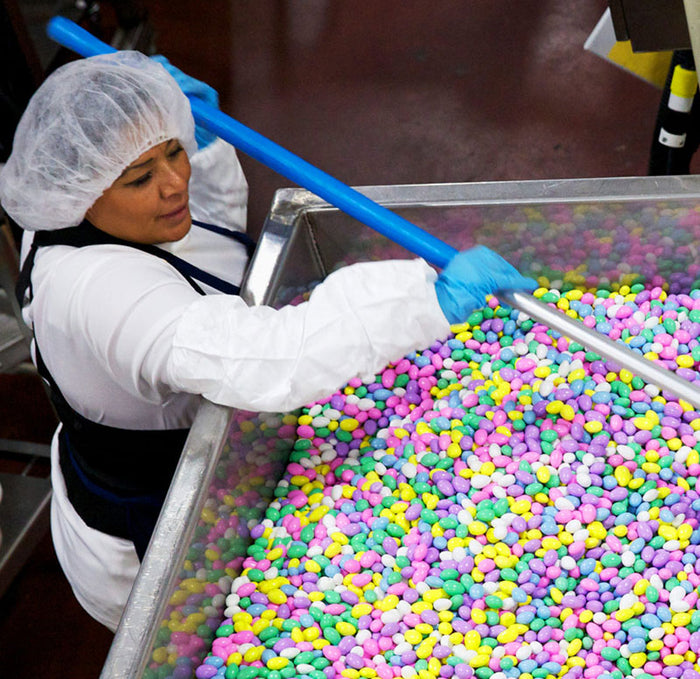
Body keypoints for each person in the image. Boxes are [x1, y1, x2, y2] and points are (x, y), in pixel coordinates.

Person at [0, 51, 536, 632]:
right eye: (140, 177)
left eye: (172, 150)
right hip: (154, 519)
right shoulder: (96, 291)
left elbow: (208, 232)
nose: (173, 182)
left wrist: (200, 142)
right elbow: (266, 360)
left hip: (216, 446)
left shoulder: (119, 212)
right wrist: (425, 300)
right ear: (79, 195)